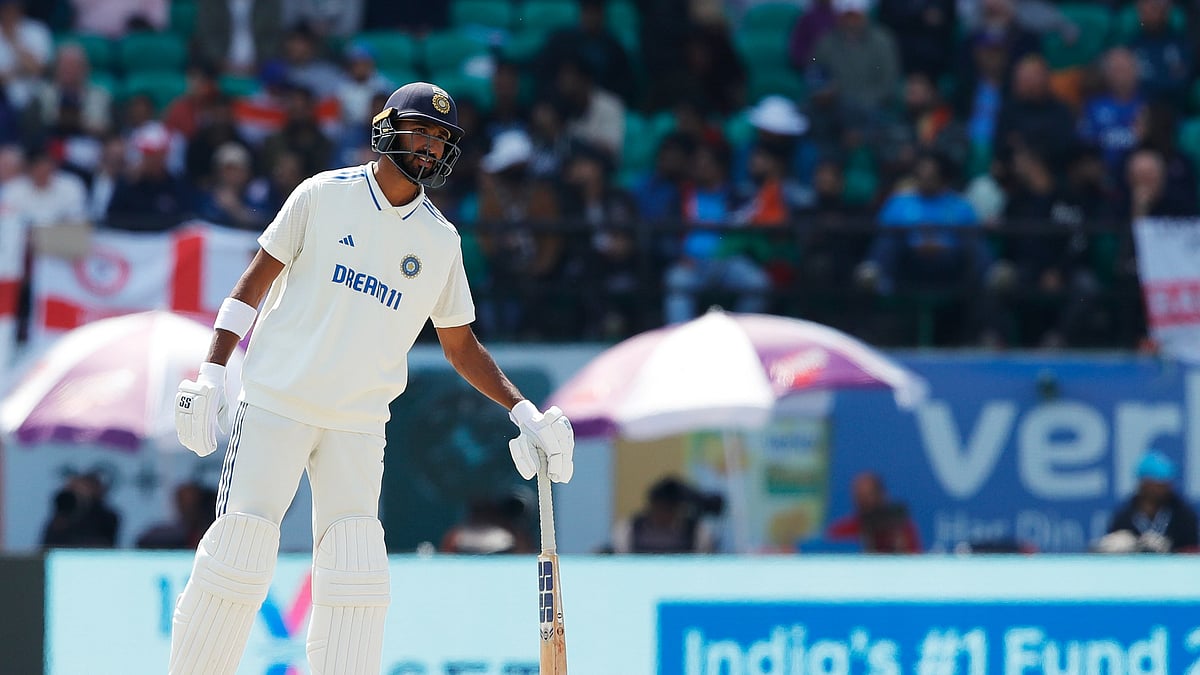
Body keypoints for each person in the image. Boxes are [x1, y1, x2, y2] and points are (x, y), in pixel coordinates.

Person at [167, 82, 576, 675]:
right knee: (240, 552)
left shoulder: (440, 241)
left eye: (441, 140)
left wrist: (524, 412)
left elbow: (461, 345)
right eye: (421, 132)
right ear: (387, 129)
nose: (431, 148)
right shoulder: (322, 196)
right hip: (277, 402)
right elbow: (252, 285)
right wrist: (212, 373)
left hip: (359, 425)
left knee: (355, 573)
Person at [1098, 450, 1199, 553]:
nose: (1165, 488)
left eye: (1167, 484)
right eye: (1158, 484)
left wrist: (1170, 550)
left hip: (1173, 567)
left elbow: (1192, 551)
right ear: (1144, 484)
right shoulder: (1124, 516)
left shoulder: (1183, 515)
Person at [610, 476, 720, 554]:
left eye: (670, 509)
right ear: (652, 506)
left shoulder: (697, 533)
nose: (665, 513)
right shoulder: (627, 529)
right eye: (661, 508)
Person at [825, 472, 921, 553]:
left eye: (869, 495)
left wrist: (900, 546)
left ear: (881, 495)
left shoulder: (900, 529)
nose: (864, 501)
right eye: (860, 496)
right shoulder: (843, 531)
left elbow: (914, 563)